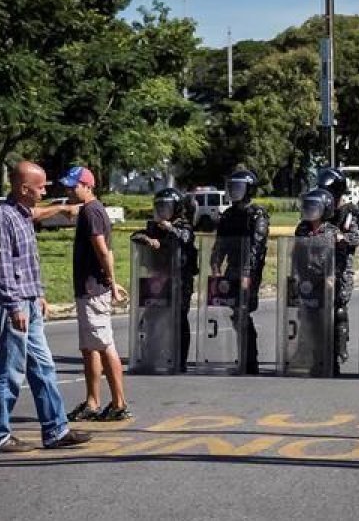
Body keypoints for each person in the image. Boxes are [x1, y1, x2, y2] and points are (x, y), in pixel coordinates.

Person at [0, 161, 93, 452]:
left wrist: (38, 294)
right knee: (8, 373)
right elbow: (3, 265)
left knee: (43, 368)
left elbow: (27, 263)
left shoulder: (22, 215)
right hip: (13, 306)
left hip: (29, 302)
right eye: (41, 186)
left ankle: (55, 429)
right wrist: (14, 305)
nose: (46, 190)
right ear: (23, 188)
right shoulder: (4, 217)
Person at [61, 166, 133, 421]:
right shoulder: (89, 210)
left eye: (73, 186)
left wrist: (112, 282)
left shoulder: (91, 211)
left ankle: (118, 403)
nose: (69, 190)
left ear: (87, 186)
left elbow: (103, 250)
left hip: (93, 289)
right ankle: (93, 401)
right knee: (89, 347)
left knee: (103, 345)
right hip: (88, 288)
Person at [131, 187, 198, 372]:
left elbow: (185, 238)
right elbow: (135, 236)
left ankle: (180, 361)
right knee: (151, 318)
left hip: (180, 281)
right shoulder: (155, 226)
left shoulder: (183, 226)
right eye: (159, 206)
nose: (162, 211)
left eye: (166, 207)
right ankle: (151, 357)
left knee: (179, 319)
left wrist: (170, 228)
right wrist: (147, 239)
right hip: (160, 279)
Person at [210, 169, 270, 374]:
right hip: (232, 268)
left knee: (244, 312)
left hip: (249, 270)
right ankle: (242, 357)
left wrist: (247, 273)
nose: (234, 191)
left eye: (238, 187)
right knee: (235, 312)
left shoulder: (257, 214)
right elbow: (220, 243)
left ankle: (250, 361)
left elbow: (257, 245)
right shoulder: (228, 214)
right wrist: (215, 265)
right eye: (232, 187)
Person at [314, 167, 359, 373]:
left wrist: (342, 238)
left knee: (337, 308)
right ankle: (316, 354)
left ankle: (338, 353)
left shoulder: (353, 211)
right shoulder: (318, 211)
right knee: (315, 311)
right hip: (317, 268)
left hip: (341, 268)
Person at [290, 188, 342, 376]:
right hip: (306, 282)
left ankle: (328, 363)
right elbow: (295, 254)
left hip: (323, 283)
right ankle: (313, 360)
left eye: (314, 206)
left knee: (324, 324)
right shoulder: (302, 229)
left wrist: (331, 276)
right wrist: (295, 276)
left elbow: (337, 257)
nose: (310, 210)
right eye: (308, 206)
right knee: (308, 323)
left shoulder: (332, 232)